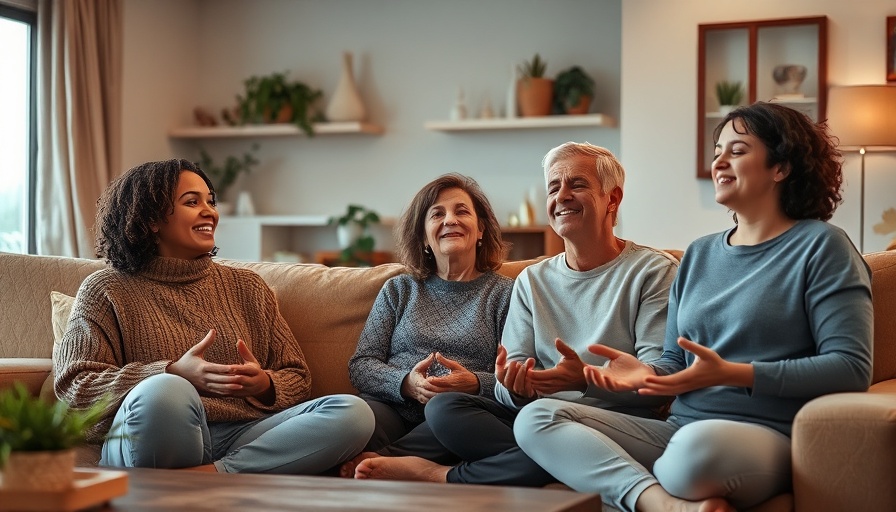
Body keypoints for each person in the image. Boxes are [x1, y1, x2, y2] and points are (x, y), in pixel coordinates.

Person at [514, 103, 874, 512]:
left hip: (764, 434)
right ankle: (662, 504)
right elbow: (673, 362)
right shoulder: (701, 254)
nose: (719, 160)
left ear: (782, 167)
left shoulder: (823, 246)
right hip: (679, 429)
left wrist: (734, 373)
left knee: (689, 458)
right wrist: (639, 375)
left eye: (737, 150)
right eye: (717, 149)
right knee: (538, 418)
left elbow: (851, 368)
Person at [353, 142, 679, 486]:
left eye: (577, 185)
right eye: (554, 187)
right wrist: (519, 387)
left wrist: (582, 378)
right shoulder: (531, 281)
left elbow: (661, 382)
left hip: (602, 422)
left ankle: (441, 474)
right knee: (443, 409)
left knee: (538, 426)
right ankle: (542, 463)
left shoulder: (653, 272)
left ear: (612, 199)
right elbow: (511, 387)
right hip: (531, 416)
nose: (562, 195)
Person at [53, 158, 374, 473]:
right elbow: (74, 387)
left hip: (239, 436)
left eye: (211, 201)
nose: (210, 211)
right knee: (166, 390)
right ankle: (198, 476)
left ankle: (214, 475)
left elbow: (298, 378)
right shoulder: (106, 288)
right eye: (192, 202)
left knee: (353, 412)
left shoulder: (248, 287)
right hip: (150, 435)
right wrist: (174, 371)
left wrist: (264, 385)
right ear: (151, 219)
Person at [341, 173, 514, 476]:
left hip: (459, 412)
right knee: (351, 420)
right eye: (437, 214)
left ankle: (389, 460)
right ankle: (400, 460)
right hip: (394, 408)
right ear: (423, 235)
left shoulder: (504, 294)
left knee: (446, 413)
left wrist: (473, 382)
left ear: (481, 229)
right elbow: (362, 364)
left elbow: (515, 379)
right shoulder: (399, 289)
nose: (450, 220)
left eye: (462, 211)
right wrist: (406, 383)